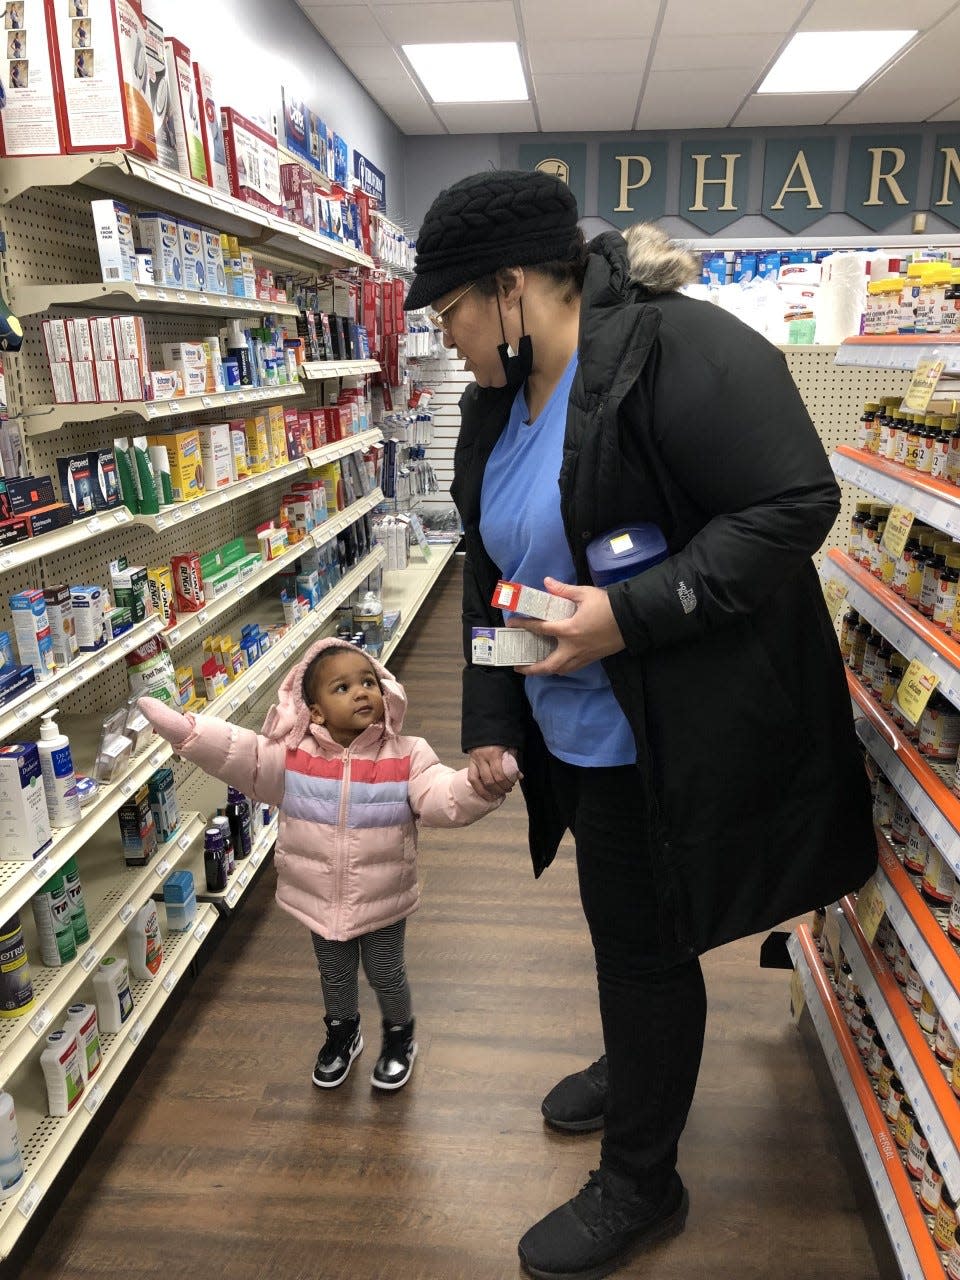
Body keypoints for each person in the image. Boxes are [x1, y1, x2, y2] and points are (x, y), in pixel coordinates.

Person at [402, 170, 876, 1280]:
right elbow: (492, 575)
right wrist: (491, 711)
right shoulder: (492, 407)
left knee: (650, 941)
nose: (447, 335)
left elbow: (795, 501)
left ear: (511, 289)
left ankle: (642, 1181)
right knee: (626, 930)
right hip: (574, 727)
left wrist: (632, 613)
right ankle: (638, 1054)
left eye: (452, 311)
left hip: (668, 727)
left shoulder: (675, 351)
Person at [139, 636, 517, 1092]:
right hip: (318, 898)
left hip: (383, 897)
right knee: (334, 974)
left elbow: (441, 796)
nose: (361, 692)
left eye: (368, 682)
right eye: (342, 688)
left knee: (385, 972)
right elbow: (240, 753)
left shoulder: (407, 755)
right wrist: (188, 731)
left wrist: (481, 787)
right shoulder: (292, 760)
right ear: (313, 711)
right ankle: (342, 1033)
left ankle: (400, 1036)